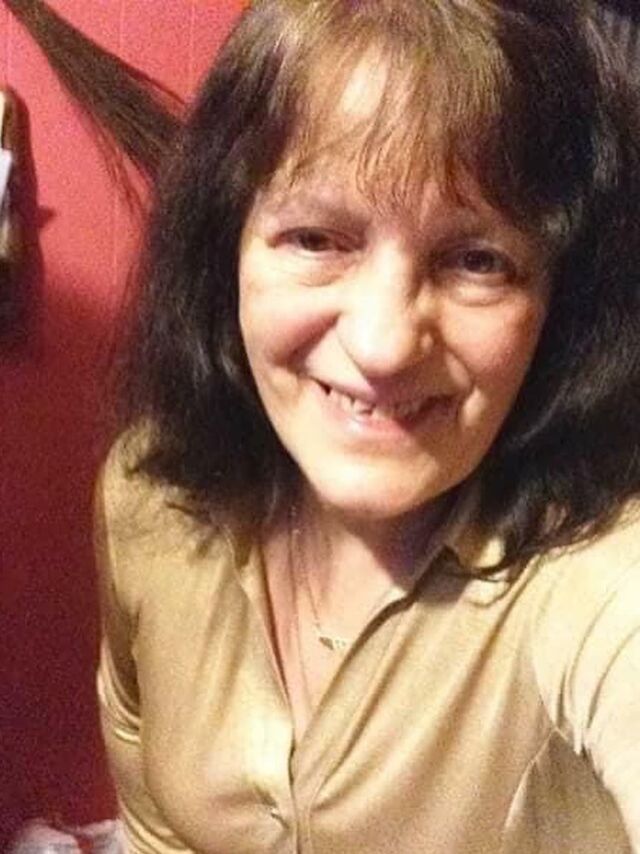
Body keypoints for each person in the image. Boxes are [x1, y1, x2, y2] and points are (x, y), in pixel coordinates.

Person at [95, 1, 640, 851]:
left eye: (477, 261)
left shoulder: (601, 575)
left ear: (560, 304)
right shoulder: (149, 498)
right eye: (317, 239)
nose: (383, 347)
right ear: (225, 247)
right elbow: (156, 827)